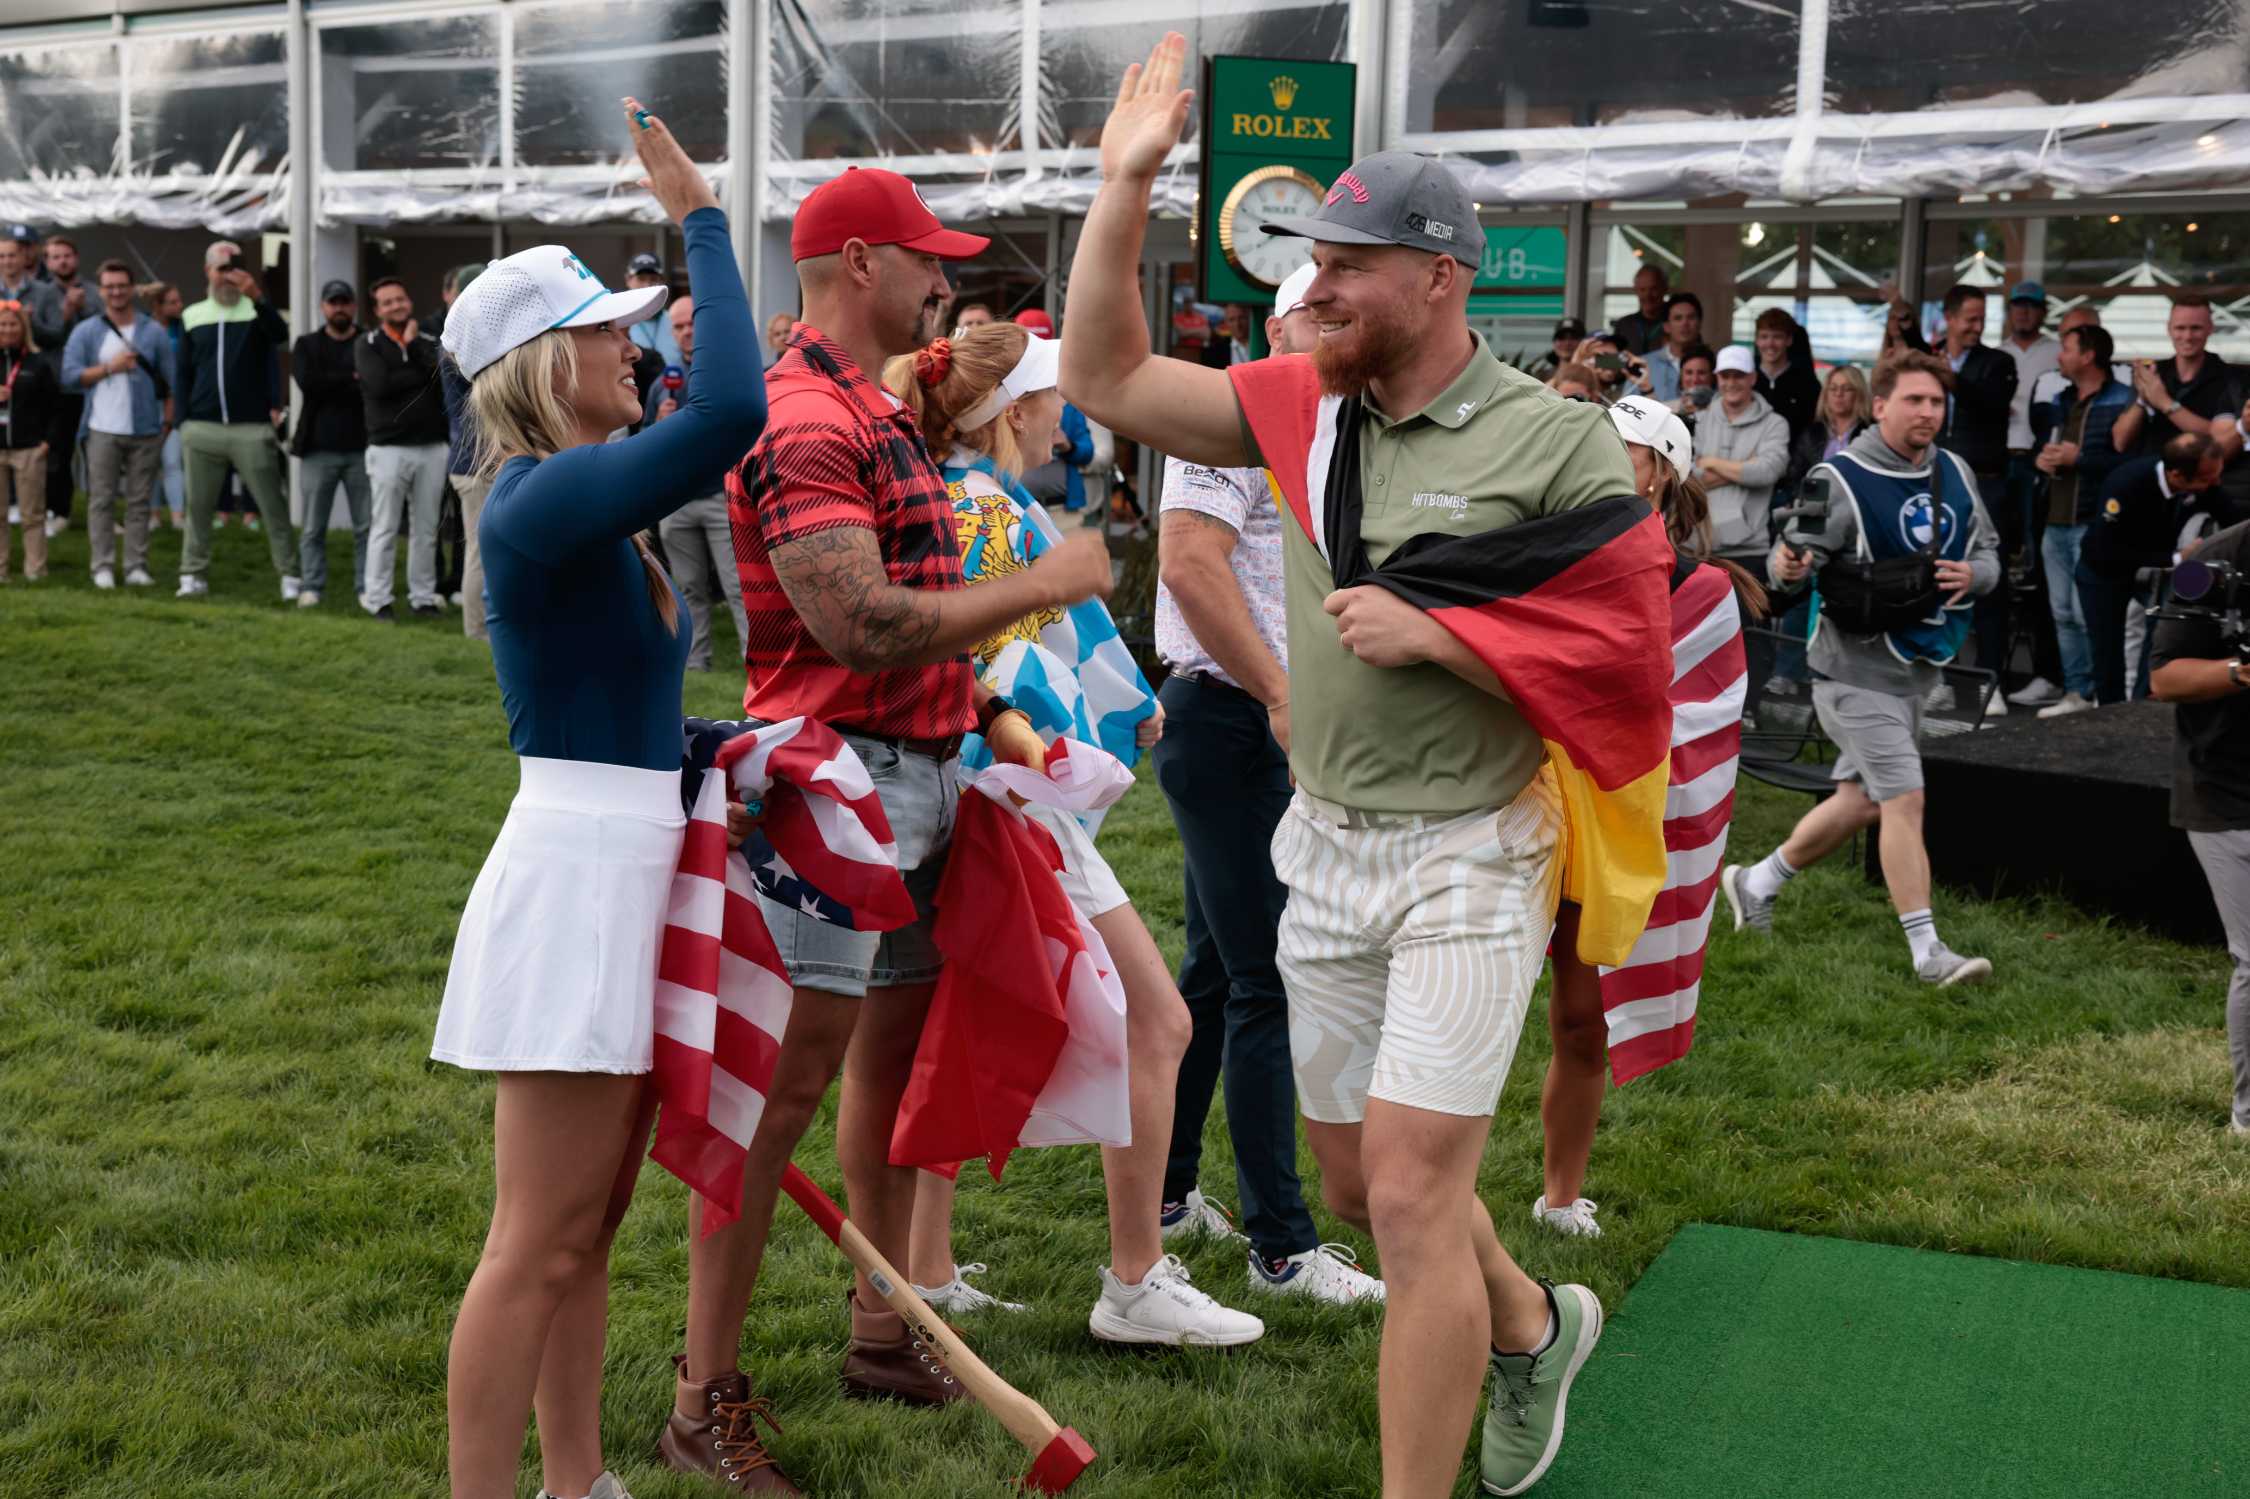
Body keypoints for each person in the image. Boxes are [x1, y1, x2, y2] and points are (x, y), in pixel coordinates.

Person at [1060, 36, 1646, 1498]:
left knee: (1405, 1192)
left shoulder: (1560, 443)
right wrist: (1124, 181)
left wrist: (1443, 634)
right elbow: (1105, 373)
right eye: (1310, 262)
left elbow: (1625, 655)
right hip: (1319, 845)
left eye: (1349, 265)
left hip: (1470, 854)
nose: (1313, 287)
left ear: (1443, 276)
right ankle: (1528, 1321)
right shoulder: (1295, 404)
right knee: (1349, 1183)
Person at [662, 165, 1111, 1493]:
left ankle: (881, 1325)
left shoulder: (875, 398)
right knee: (778, 1097)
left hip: (913, 778)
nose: (943, 282)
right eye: (924, 261)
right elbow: (854, 617)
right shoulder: (805, 416)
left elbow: (943, 417)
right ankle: (702, 1396)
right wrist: (1045, 581)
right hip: (829, 791)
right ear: (858, 263)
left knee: (886, 1071)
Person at [431, 97, 766, 1499]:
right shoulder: (531, 497)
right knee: (537, 1235)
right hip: (578, 879)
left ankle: (579, 1478)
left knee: (591, 1225)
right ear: (544, 362)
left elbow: (610, 707)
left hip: (629, 859)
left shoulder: (571, 500)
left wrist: (714, 744)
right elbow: (735, 411)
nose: (639, 344)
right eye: (615, 328)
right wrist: (700, 209)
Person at [884, 319, 1284, 1335]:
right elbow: (1009, 650)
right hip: (1014, 807)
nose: (1069, 409)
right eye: (1053, 393)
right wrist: (1086, 722)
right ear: (1014, 410)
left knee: (966, 1026)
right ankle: (1134, 1277)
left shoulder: (974, 494)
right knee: (1158, 1021)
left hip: (995, 801)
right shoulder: (987, 507)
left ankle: (928, 1270)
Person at [1148, 259, 1382, 1302]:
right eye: (1320, 317)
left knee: (1215, 972)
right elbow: (1189, 562)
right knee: (1266, 981)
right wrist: (1283, 693)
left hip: (1253, 718)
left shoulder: (1329, 427)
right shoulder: (1239, 414)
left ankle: (1165, 1193)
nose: (1339, 336)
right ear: (1283, 326)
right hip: (1237, 719)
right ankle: (1282, 1245)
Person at [1533, 396, 1761, 1241]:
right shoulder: (1533, 556)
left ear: (1659, 472)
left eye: (1614, 449)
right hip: (1517, 809)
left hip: (1611, 833)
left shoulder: (1702, 593)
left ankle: (1560, 1195)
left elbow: (1698, 719)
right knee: (1462, 1018)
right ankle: (1430, 1183)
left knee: (1580, 1018)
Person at [1725, 351, 2001, 986]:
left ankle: (1754, 881)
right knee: (1905, 798)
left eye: (1936, 402)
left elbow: (1987, 550)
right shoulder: (1838, 477)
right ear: (1881, 406)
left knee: (1860, 801)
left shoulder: (1954, 470)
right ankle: (1929, 954)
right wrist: (1789, 567)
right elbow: (1784, 562)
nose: (1928, 412)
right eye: (1914, 400)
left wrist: (1975, 573)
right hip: (1851, 675)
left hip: (1918, 671)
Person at [2146, 518, 2250, 1141]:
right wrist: (2241, 672)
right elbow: (2164, 679)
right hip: (2227, 790)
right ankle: (2247, 1117)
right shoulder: (2212, 562)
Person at [176, 240, 296, 600]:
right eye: (221, 269)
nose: (228, 277)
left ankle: (289, 574)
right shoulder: (193, 314)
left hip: (250, 427)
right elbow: (182, 373)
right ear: (207, 272)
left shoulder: (255, 310)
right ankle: (192, 573)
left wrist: (258, 296)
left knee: (272, 504)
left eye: (234, 269)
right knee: (198, 506)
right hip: (202, 427)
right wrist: (184, 420)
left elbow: (280, 335)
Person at [2029, 323, 2134, 719]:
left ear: (2088, 355)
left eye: (2066, 348)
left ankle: (2099, 694)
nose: (2059, 356)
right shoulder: (2061, 397)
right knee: (2062, 612)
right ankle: (2076, 692)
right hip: (2054, 518)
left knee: (2089, 613)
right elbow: (2049, 447)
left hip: (2094, 522)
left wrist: (2080, 461)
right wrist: (2041, 461)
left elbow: (2127, 463)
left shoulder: (2123, 401)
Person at [2076, 433, 2227, 707]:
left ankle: (2146, 702)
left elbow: (2232, 520)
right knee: (2107, 648)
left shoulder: (2205, 483)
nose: (2214, 483)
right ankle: (2111, 711)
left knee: (2165, 630)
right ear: (2177, 476)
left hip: (2157, 570)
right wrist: (2177, 558)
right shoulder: (2127, 483)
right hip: (2105, 570)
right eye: (2206, 479)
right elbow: (2108, 551)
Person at [647, 295, 747, 669]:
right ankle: (696, 662)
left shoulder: (729, 374)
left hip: (723, 499)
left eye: (692, 323)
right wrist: (659, 422)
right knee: (688, 589)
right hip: (678, 502)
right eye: (678, 326)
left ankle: (755, 660)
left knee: (739, 586)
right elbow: (643, 442)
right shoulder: (663, 385)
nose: (687, 332)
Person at [62, 259, 174, 590]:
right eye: (109, 286)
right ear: (101, 290)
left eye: (122, 285)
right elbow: (69, 376)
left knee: (140, 501)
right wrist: (108, 369)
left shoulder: (152, 331)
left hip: (145, 429)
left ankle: (137, 565)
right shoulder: (87, 331)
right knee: (101, 500)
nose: (116, 292)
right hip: (101, 428)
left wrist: (168, 421)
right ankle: (103, 566)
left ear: (132, 288)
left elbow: (170, 380)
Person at [357, 276, 451, 620]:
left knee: (426, 529)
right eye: (388, 302)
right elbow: (380, 386)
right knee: (384, 527)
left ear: (408, 301)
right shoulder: (366, 344)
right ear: (378, 311)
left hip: (432, 446)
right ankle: (378, 598)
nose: (396, 305)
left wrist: (410, 350)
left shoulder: (428, 340)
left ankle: (422, 597)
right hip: (388, 448)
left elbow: (439, 376)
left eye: (400, 299)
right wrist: (413, 369)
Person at [2114, 296, 2246, 516]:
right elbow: (2120, 441)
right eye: (2180, 328)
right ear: (2168, 329)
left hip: (2206, 497)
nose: (2187, 336)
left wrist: (2166, 403)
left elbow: (2222, 441)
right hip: (2153, 493)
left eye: (2195, 328)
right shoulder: (2152, 374)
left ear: (2210, 329)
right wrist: (2142, 400)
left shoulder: (2231, 378)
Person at [291, 280, 372, 610]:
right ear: (323, 307)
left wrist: (338, 379)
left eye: (345, 302)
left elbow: (371, 383)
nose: (339, 307)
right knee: (312, 526)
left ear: (354, 306)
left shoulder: (368, 341)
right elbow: (309, 384)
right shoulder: (307, 344)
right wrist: (349, 378)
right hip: (317, 449)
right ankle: (311, 585)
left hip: (363, 449)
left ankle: (366, 586)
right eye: (332, 302)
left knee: (366, 526)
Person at [1693, 346, 1789, 572]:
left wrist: (1710, 462)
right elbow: (1683, 477)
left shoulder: (1775, 423)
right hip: (1696, 547)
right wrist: (1745, 467)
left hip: (1749, 551)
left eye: (1739, 375)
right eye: (1725, 376)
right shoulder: (1699, 420)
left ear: (1753, 378)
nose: (1731, 382)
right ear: (1717, 378)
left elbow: (1768, 471)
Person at [28, 233, 91, 536]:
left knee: (96, 454)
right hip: (55, 386)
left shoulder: (93, 291)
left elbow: (103, 331)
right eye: (55, 256)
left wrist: (81, 308)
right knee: (58, 453)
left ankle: (100, 513)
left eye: (67, 255)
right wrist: (66, 313)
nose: (62, 261)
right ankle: (59, 510)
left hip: (91, 383)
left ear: (76, 258)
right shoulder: (39, 294)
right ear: (47, 261)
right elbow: (38, 337)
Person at [0, 300, 55, 582]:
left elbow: (53, 405)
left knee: (32, 514)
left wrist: (46, 441)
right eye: (3, 325)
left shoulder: (38, 362)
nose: (7, 330)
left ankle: (36, 571)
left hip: (28, 448)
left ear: (23, 327)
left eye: (13, 324)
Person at [141, 281, 188, 528]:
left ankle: (178, 515)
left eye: (179, 301)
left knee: (172, 460)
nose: (179, 306)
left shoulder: (183, 329)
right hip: (147, 401)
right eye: (173, 302)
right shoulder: (143, 328)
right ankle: (153, 514)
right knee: (149, 462)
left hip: (175, 400)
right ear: (158, 306)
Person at [1789, 364, 1872, 487]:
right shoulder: (1811, 434)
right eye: (1833, 388)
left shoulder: (1871, 434)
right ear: (1825, 394)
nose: (1838, 394)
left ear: (1859, 393)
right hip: (1815, 504)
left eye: (1847, 388)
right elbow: (1794, 479)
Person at [1752, 308, 1820, 443]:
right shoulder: (1745, 376)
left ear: (1789, 340)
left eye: (1777, 337)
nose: (1770, 344)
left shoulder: (1807, 383)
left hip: (1793, 458)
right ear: (1757, 340)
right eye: (1764, 336)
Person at [626, 252, 686, 367]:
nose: (647, 285)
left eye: (653, 279)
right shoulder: (620, 323)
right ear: (628, 280)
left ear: (662, 281)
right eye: (641, 279)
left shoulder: (676, 321)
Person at [1643, 291, 1704, 403]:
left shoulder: (1713, 365)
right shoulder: (1643, 364)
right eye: (1678, 318)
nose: (1685, 323)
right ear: (1666, 326)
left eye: (1691, 317)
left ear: (1699, 323)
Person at [1610, 261, 1670, 355]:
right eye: (1642, 290)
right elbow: (1611, 362)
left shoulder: (1678, 323)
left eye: (1653, 289)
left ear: (1665, 289)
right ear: (1635, 291)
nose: (1647, 295)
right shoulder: (1624, 325)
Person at [1668, 344, 1715, 419]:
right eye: (1689, 373)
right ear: (1681, 376)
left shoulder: (1725, 411)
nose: (1695, 379)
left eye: (1701, 373)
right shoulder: (1668, 412)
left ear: (1712, 376)